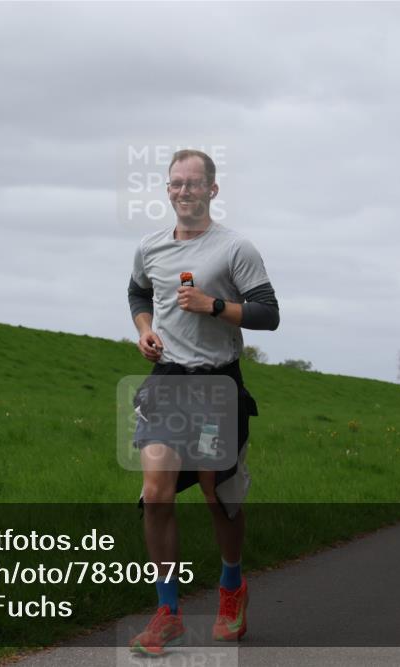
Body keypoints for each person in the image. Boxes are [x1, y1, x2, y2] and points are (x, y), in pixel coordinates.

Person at [126, 149, 280, 656]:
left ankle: (231, 587)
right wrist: (146, 331)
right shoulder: (150, 247)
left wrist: (215, 306)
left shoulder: (235, 248)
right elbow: (137, 293)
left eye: (194, 184)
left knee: (218, 493)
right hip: (167, 380)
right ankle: (168, 611)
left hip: (218, 384)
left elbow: (268, 313)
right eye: (176, 184)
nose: (183, 191)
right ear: (167, 190)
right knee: (156, 490)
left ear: (212, 190)